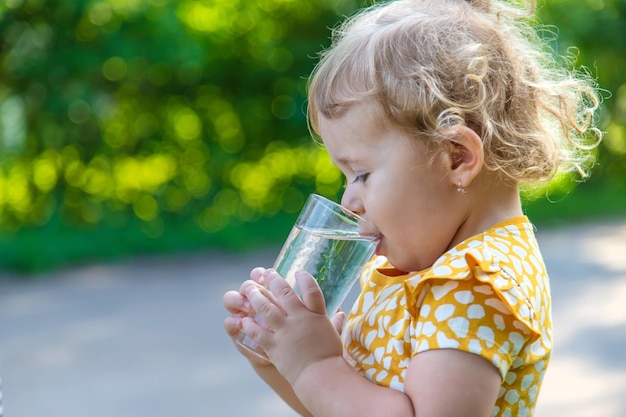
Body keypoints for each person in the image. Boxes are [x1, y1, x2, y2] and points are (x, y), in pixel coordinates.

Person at [223, 0, 602, 416]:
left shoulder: (473, 284)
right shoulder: (427, 270)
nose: (349, 199)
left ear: (456, 157)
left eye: (362, 174)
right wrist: (278, 356)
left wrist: (315, 363)